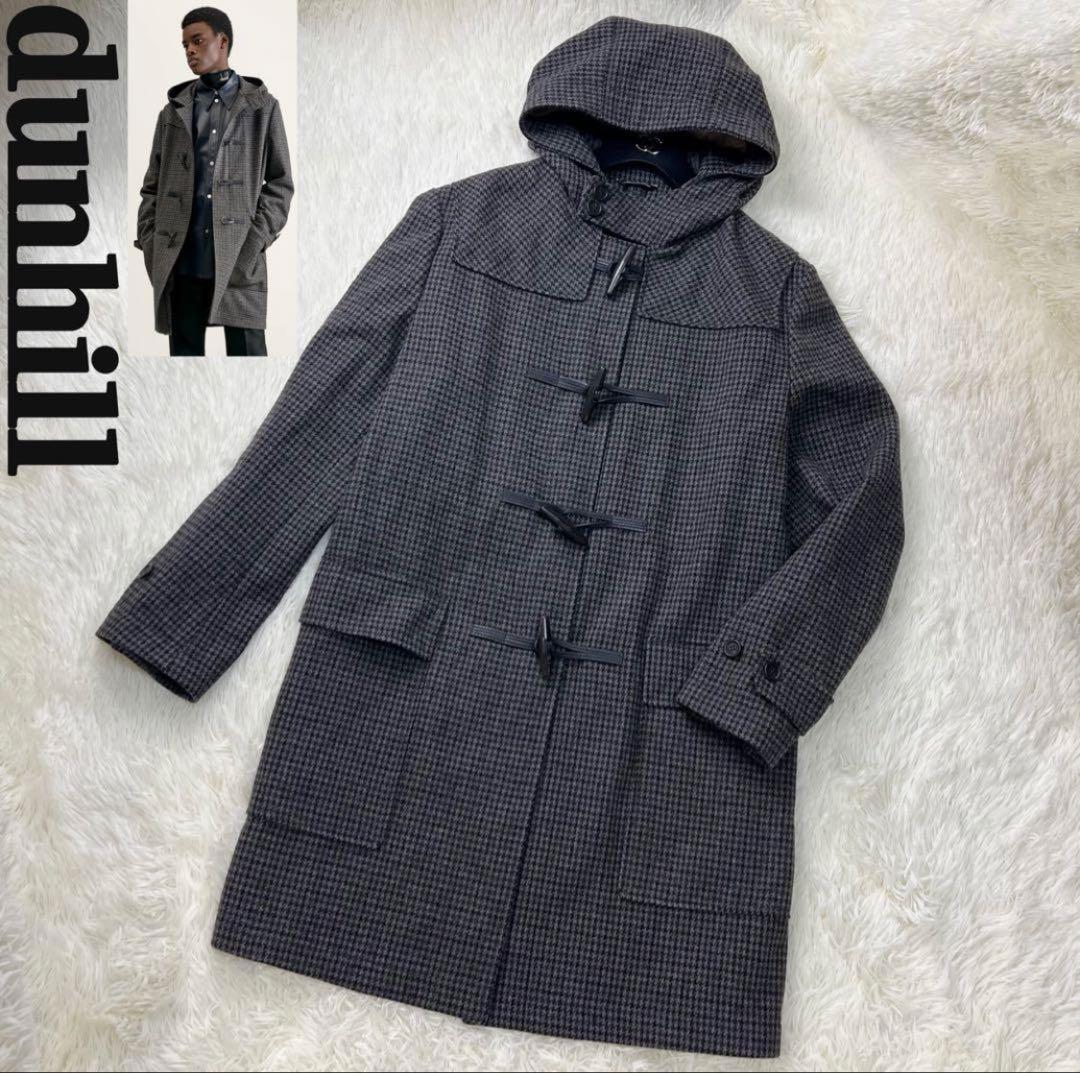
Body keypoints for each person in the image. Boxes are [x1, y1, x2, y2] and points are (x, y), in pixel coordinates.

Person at [135, 6, 293, 355]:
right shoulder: (173, 111)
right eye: (185, 45)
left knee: (250, 358)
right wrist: (151, 240)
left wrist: (254, 241)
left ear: (222, 42)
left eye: (197, 41)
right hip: (181, 264)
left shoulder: (263, 107)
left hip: (239, 260)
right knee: (185, 365)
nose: (190, 51)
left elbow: (281, 184)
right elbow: (151, 187)